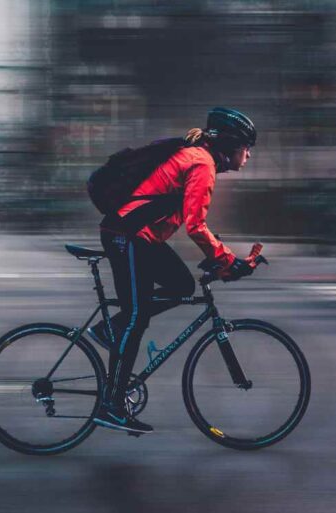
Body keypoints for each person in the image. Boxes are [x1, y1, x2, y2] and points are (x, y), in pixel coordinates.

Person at [90, 107, 258, 434]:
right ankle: (111, 404)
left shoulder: (198, 158)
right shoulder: (202, 163)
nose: (249, 155)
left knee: (181, 286)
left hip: (138, 235)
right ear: (231, 144)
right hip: (128, 235)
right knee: (136, 317)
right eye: (247, 147)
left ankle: (112, 330)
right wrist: (225, 259)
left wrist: (221, 257)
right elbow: (196, 226)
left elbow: (191, 221)